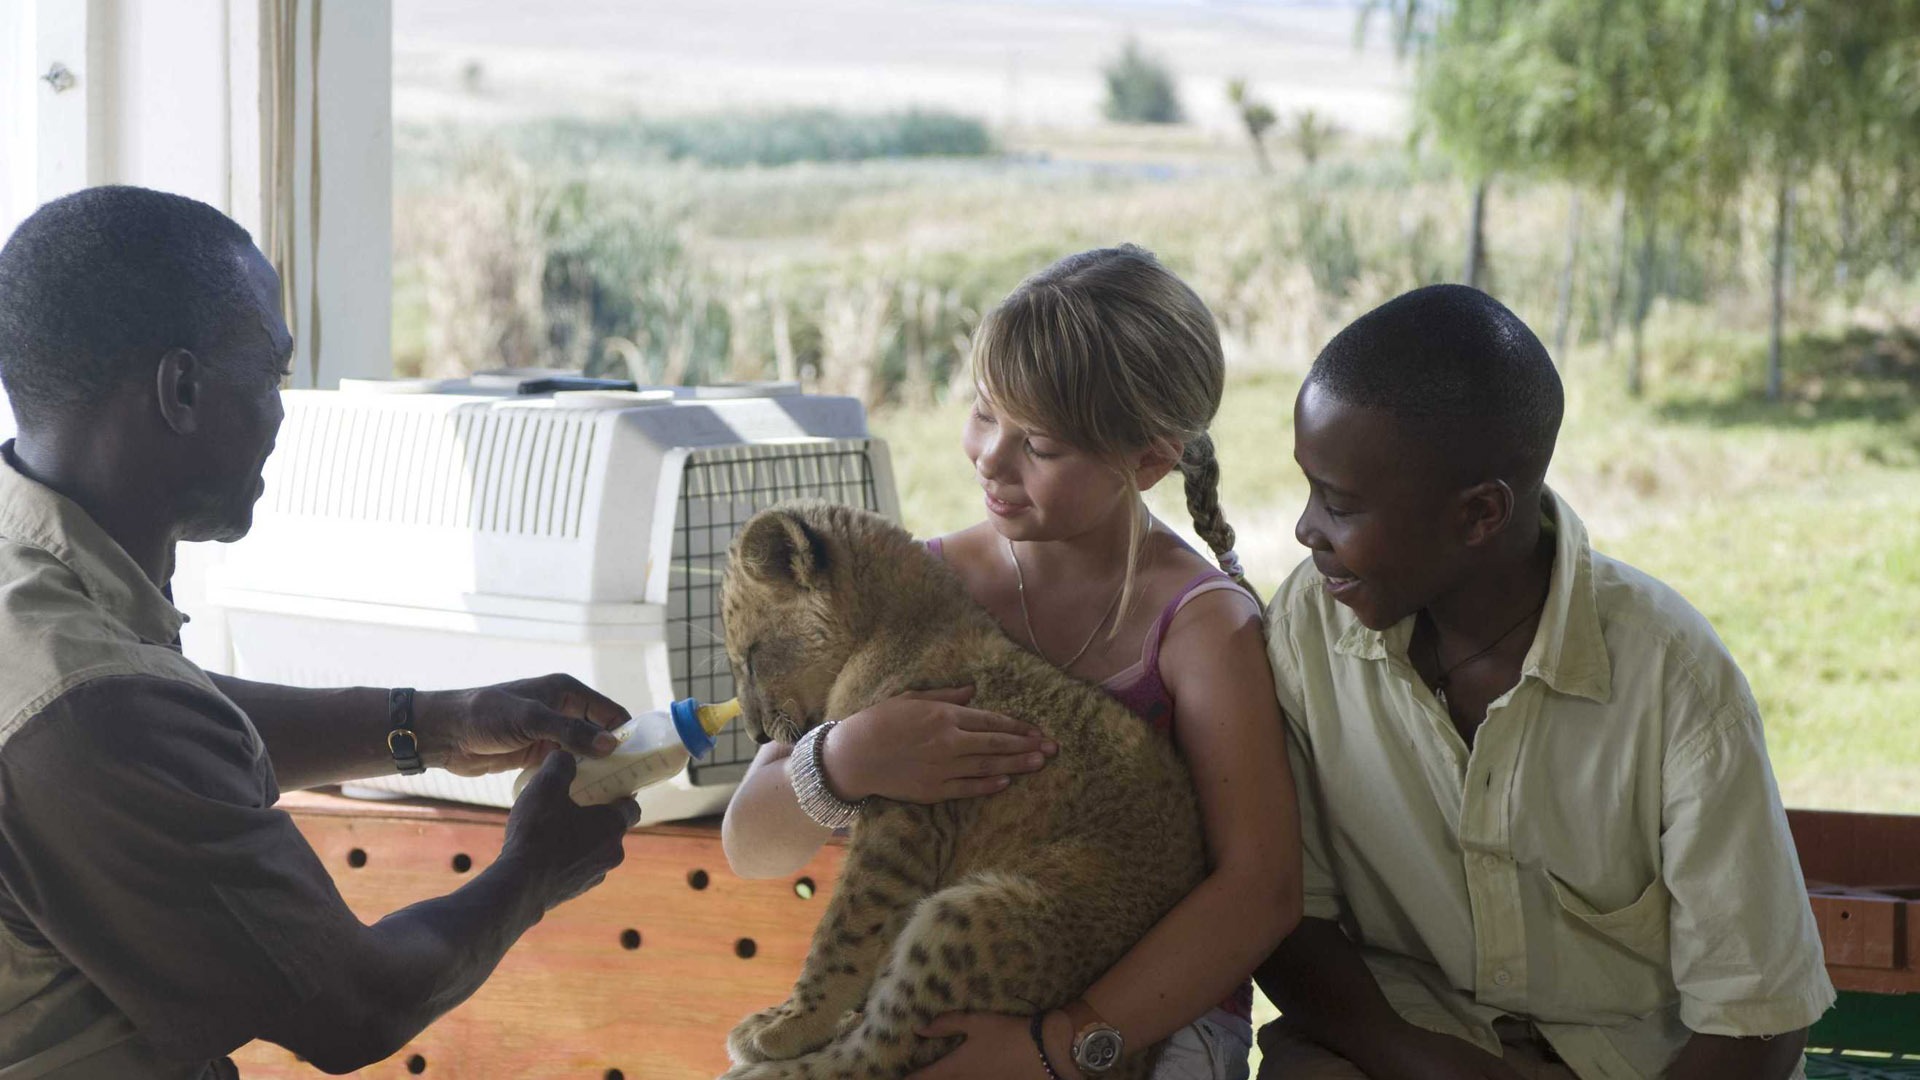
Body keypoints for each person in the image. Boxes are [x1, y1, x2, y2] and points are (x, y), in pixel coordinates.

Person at [0, 185, 641, 1078]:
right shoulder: (85, 709)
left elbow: (168, 719)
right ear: (181, 388)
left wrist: (440, 721)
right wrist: (535, 867)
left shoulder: (34, 590)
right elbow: (356, 1007)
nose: (280, 414)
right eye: (270, 374)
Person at [722, 244, 1303, 1080]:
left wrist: (1060, 1046)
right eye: (984, 412)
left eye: (1039, 443)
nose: (991, 457)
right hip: (925, 1001)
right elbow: (753, 847)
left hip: (1138, 1026)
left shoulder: (1201, 629)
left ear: (1148, 459)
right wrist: (847, 758)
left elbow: (1261, 891)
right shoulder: (916, 590)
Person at [1254, 284, 1834, 1079]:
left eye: (1341, 505)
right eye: (1310, 487)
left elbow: (1756, 1020)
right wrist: (1424, 1060)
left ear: (1480, 515)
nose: (1305, 529)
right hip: (1405, 1047)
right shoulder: (1309, 628)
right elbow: (1286, 916)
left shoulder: (1674, 680)